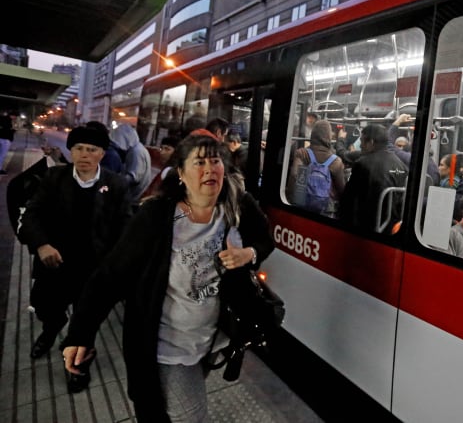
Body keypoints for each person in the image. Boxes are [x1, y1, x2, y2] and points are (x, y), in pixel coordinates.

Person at [61, 131, 275, 421]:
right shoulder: (156, 217)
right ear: (181, 174)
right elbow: (110, 276)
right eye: (199, 163)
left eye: (216, 161)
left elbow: (265, 240)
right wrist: (80, 334)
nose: (210, 169)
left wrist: (247, 254)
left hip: (213, 338)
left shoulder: (237, 205)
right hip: (166, 344)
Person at [17, 125, 132, 392]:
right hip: (54, 264)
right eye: (78, 148)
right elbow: (31, 215)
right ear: (71, 150)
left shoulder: (116, 185)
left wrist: (116, 267)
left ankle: (78, 369)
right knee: (45, 306)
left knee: (86, 326)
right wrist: (42, 244)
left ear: (102, 153)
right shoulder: (54, 178)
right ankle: (53, 326)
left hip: (93, 271)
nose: (84, 154)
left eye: (91, 149)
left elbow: (126, 229)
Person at [339, 124, 407, 233]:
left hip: (365, 227)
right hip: (390, 229)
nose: (360, 146)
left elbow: (348, 199)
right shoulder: (401, 166)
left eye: (362, 141)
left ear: (371, 142)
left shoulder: (362, 163)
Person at [287, 120, 345, 217]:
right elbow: (341, 190)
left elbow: (294, 176)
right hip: (325, 210)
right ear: (329, 137)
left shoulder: (302, 154)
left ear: (313, 135)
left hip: (302, 206)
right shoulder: (336, 161)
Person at [111, 123, 152, 205]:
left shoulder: (136, 152)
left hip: (134, 199)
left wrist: (115, 182)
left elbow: (133, 177)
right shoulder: (137, 149)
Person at [140, 135, 180, 200]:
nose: (162, 152)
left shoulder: (173, 172)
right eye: (161, 148)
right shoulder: (165, 168)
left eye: (167, 149)